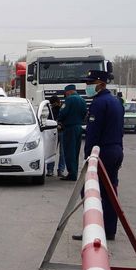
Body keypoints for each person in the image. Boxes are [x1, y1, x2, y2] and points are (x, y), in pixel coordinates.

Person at [73, 70, 125, 241]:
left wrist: (88, 158)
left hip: (102, 152)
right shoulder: (116, 101)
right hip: (115, 150)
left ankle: (93, 231)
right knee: (110, 192)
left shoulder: (99, 103)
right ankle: (109, 230)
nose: (88, 86)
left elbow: (93, 134)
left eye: (90, 83)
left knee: (89, 192)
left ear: (101, 84)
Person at [57, 84, 87, 181]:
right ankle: (74, 172)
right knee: (76, 151)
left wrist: (59, 120)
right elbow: (84, 113)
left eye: (66, 93)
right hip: (79, 127)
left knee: (69, 151)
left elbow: (63, 112)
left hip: (69, 128)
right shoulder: (82, 100)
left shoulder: (69, 100)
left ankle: (72, 174)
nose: (65, 95)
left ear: (68, 92)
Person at [47, 96, 63, 177]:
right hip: (57, 131)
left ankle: (51, 170)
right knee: (57, 152)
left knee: (53, 152)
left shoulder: (53, 110)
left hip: (57, 131)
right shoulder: (59, 108)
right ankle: (59, 171)